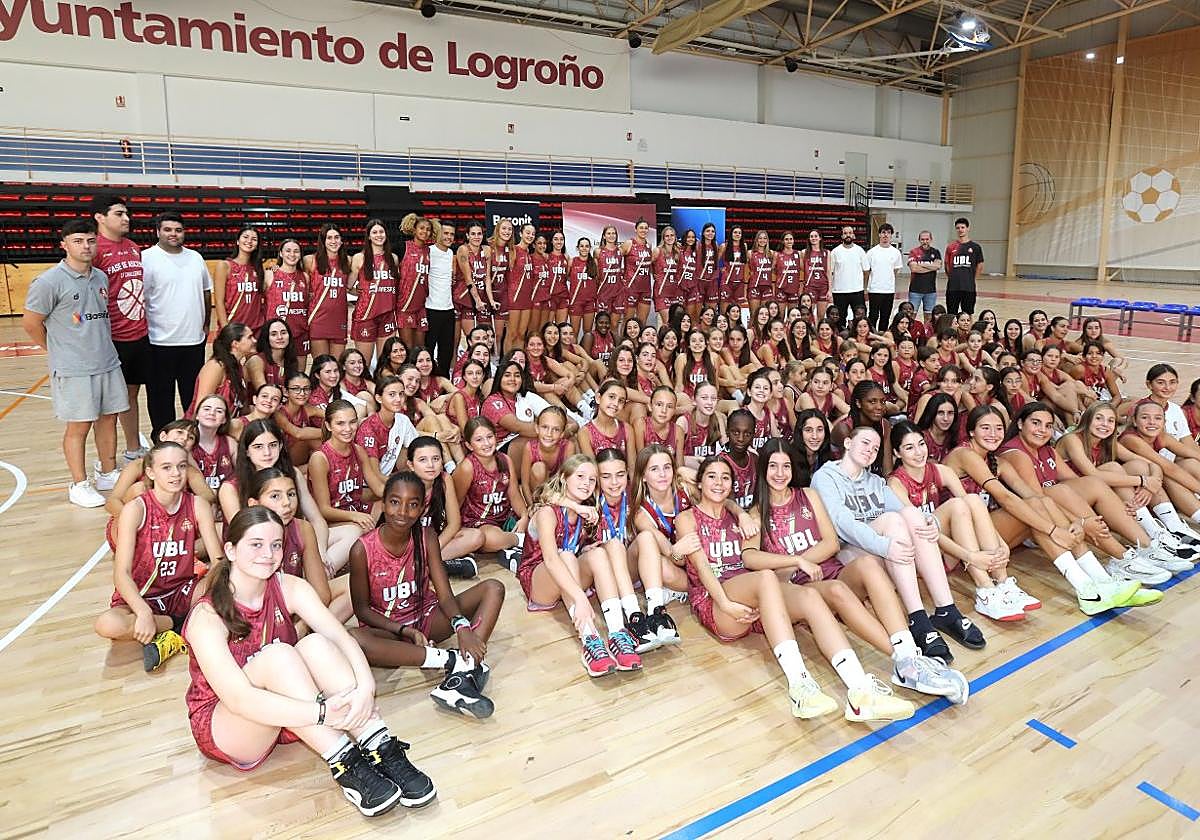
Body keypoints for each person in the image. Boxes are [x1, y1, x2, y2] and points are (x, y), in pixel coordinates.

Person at [183, 506, 436, 816]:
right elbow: (239, 699)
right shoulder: (206, 616)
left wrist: (365, 689)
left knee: (316, 643)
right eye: (256, 544)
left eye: (276, 544)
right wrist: (321, 713)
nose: (268, 553)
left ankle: (381, 744)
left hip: (292, 710)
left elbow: (342, 638)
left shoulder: (290, 586)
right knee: (278, 655)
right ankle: (345, 762)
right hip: (229, 726)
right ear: (230, 550)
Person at [676, 455, 916, 721]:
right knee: (767, 577)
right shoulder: (687, 518)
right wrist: (724, 603)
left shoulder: (743, 517)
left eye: (725, 477)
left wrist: (740, 512)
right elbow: (702, 568)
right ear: (700, 482)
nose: (719, 482)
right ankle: (800, 687)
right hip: (719, 602)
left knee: (811, 596)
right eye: (711, 476)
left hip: (754, 597)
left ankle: (861, 693)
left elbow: (737, 520)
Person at [745, 439, 968, 704]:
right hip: (802, 586)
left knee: (868, 565)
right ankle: (906, 662)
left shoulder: (808, 496)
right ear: (763, 469)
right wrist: (795, 562)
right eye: (773, 466)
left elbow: (831, 542)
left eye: (786, 466)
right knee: (838, 590)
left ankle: (908, 652)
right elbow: (749, 557)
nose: (780, 473)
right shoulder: (756, 513)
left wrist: (803, 559)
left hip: (830, 570)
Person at [813, 426, 985, 662]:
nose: (870, 451)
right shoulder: (825, 477)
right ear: (847, 443)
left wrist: (931, 522)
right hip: (847, 557)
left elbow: (908, 512)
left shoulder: (874, 481)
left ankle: (946, 609)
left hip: (884, 550)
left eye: (875, 448)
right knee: (893, 520)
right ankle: (918, 619)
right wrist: (884, 545)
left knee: (912, 516)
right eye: (865, 443)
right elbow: (841, 523)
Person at [348, 471, 503, 717]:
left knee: (494, 587)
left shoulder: (426, 536)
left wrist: (462, 627)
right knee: (354, 639)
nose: (402, 511)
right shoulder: (362, 549)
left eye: (412, 505)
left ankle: (462, 674)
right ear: (384, 503)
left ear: (422, 509)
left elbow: (445, 594)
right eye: (395, 502)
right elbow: (362, 610)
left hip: (426, 620)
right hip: (391, 633)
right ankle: (451, 661)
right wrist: (404, 631)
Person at [22, 218, 130, 507]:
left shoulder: (100, 277)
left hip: (107, 361)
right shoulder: (48, 281)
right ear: (64, 245)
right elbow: (31, 323)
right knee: (79, 426)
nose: (86, 246)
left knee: (108, 420)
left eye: (90, 240)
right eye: (78, 241)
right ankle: (79, 483)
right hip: (74, 368)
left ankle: (107, 473)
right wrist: (55, 349)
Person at [94, 441, 223, 671]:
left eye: (181, 466)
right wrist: (143, 611)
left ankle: (172, 630)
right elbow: (121, 573)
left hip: (182, 591)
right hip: (142, 595)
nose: (176, 474)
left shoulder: (197, 505)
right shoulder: (136, 509)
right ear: (151, 472)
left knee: (226, 587)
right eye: (167, 467)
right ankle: (176, 626)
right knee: (107, 624)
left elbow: (218, 562)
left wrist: (215, 586)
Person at [887, 422, 1030, 621]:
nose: (919, 452)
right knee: (955, 506)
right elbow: (924, 534)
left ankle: (1003, 583)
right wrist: (970, 556)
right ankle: (985, 590)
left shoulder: (940, 470)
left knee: (970, 500)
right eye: (909, 448)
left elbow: (975, 509)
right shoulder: (895, 483)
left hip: (949, 551)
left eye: (921, 444)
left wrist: (1001, 542)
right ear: (897, 453)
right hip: (923, 558)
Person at [141, 212, 213, 435]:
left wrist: (205, 324)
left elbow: (206, 292)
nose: (173, 234)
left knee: (193, 397)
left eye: (178, 230)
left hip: (193, 341)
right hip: (158, 342)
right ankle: (162, 439)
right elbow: (140, 297)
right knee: (160, 397)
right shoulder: (146, 258)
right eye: (168, 230)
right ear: (158, 232)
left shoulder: (195, 257)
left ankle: (192, 437)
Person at [91, 193, 148, 462]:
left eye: (127, 213)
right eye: (119, 214)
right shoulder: (95, 250)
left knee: (130, 394)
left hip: (138, 334)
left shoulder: (134, 247)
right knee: (109, 403)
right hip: (111, 338)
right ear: (100, 217)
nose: (126, 218)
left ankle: (134, 448)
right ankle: (107, 462)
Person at [350, 219, 399, 359]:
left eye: (381, 232)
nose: (379, 235)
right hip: (366, 315)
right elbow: (347, 286)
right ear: (369, 236)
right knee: (363, 363)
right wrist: (359, 291)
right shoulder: (360, 258)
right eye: (375, 232)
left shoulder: (393, 258)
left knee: (386, 362)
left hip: (388, 315)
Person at [264, 239, 310, 362]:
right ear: (281, 253)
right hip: (277, 334)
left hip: (300, 332)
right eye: (288, 251)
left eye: (296, 251)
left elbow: (307, 303)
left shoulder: (305, 277)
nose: (292, 254)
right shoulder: (270, 274)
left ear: (300, 255)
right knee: (277, 375)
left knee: (298, 375)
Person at [213, 225, 265, 332]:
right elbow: (219, 301)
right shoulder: (224, 266)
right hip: (233, 328)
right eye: (245, 237)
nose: (249, 241)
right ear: (237, 241)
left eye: (254, 239)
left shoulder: (259, 269)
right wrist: (225, 329)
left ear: (257, 245)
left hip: (256, 328)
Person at [424, 219, 457, 376]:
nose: (449, 237)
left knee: (446, 351)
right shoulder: (428, 251)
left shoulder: (451, 253)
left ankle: (444, 383)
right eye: (446, 233)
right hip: (431, 308)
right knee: (428, 349)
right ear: (438, 234)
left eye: (452, 234)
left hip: (448, 309)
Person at [865, 224, 904, 333]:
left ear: (891, 235)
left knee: (885, 316)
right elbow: (867, 271)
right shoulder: (872, 252)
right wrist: (866, 288)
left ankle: (882, 337)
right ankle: (871, 335)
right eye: (883, 232)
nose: (885, 235)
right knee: (873, 316)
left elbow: (895, 271)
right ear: (879, 234)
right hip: (874, 290)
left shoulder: (896, 253)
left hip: (889, 290)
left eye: (888, 232)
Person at [829, 226, 868, 330]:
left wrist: (864, 288)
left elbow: (866, 271)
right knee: (839, 318)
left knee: (860, 317)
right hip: (839, 291)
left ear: (854, 235)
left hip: (857, 290)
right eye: (845, 233)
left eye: (850, 233)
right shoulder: (835, 252)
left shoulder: (860, 251)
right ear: (842, 236)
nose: (848, 235)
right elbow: (830, 272)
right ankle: (839, 337)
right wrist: (830, 289)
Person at [944, 217, 983, 316]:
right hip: (953, 287)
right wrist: (953, 277)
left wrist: (972, 279)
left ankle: (968, 331)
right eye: (958, 228)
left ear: (967, 228)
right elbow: (947, 265)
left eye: (962, 227)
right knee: (951, 314)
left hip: (968, 287)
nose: (960, 230)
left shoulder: (975, 247)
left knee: (968, 314)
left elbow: (980, 264)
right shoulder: (951, 247)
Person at [906, 230, 942, 323]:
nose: (925, 241)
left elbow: (938, 266)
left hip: (930, 291)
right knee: (911, 315)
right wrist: (931, 266)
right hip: (915, 290)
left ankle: (926, 335)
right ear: (919, 240)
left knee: (929, 317)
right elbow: (914, 269)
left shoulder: (936, 252)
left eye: (927, 239)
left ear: (931, 239)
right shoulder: (914, 251)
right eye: (922, 239)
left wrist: (921, 265)